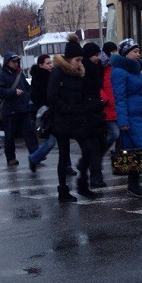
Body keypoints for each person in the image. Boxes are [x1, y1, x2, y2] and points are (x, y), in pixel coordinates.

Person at [47, 34, 96, 201]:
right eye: (77, 59)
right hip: (63, 120)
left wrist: (85, 106)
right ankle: (63, 190)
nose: (80, 62)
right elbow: (52, 97)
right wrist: (68, 109)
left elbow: (82, 94)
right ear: (68, 59)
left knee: (88, 149)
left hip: (77, 120)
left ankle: (83, 184)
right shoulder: (58, 73)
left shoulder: (78, 74)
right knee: (64, 156)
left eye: (81, 59)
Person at [110, 38, 142, 197]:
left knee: (139, 149)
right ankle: (133, 184)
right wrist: (123, 121)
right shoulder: (119, 72)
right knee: (135, 149)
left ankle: (134, 184)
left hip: (140, 113)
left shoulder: (135, 70)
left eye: (138, 51)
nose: (138, 54)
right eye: (134, 51)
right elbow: (119, 98)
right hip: (130, 115)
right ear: (125, 53)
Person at [27, 54, 75, 174]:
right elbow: (35, 96)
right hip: (49, 113)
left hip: (58, 111)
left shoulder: (54, 75)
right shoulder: (38, 78)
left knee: (64, 140)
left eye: (50, 63)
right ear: (40, 65)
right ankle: (34, 158)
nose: (50, 65)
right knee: (51, 142)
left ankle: (67, 166)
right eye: (47, 63)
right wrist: (45, 106)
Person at [0, 52, 38, 166]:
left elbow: (27, 88)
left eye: (17, 61)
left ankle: (35, 155)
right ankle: (11, 158)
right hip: (9, 111)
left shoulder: (19, 74)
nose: (16, 63)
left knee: (30, 133)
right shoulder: (1, 75)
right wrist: (13, 92)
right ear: (7, 62)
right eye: (13, 61)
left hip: (23, 109)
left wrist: (28, 95)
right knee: (9, 136)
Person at [80, 41, 108, 188]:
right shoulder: (83, 71)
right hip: (88, 113)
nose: (97, 58)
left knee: (101, 144)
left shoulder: (97, 69)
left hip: (97, 111)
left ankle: (88, 168)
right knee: (95, 146)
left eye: (98, 55)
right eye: (95, 55)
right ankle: (95, 177)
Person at [100, 41, 120, 151]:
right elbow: (98, 86)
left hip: (116, 106)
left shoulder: (113, 67)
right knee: (115, 134)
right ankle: (100, 151)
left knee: (118, 135)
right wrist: (106, 100)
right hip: (108, 107)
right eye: (113, 51)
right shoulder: (102, 67)